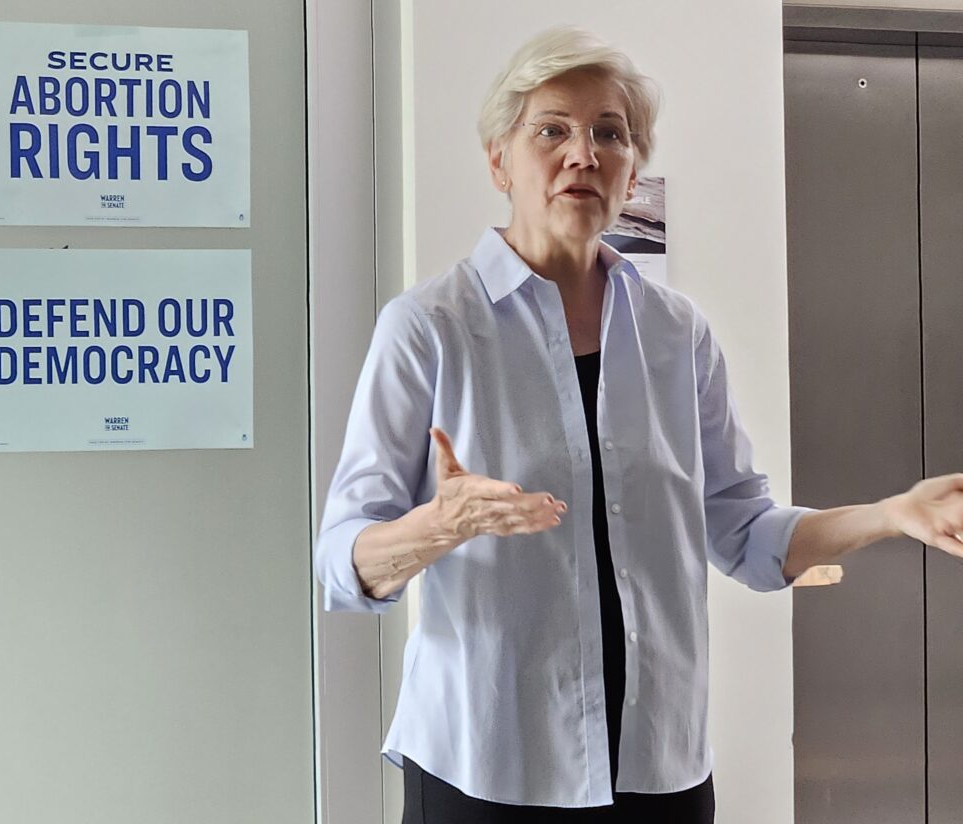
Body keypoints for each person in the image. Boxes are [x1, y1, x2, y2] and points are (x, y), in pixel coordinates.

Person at [314, 26, 963, 824]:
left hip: (659, 768)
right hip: (487, 765)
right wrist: (438, 528)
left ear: (631, 171)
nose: (582, 153)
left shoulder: (676, 333)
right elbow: (345, 563)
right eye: (551, 128)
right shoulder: (428, 327)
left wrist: (891, 515)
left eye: (609, 133)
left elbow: (748, 537)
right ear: (498, 163)